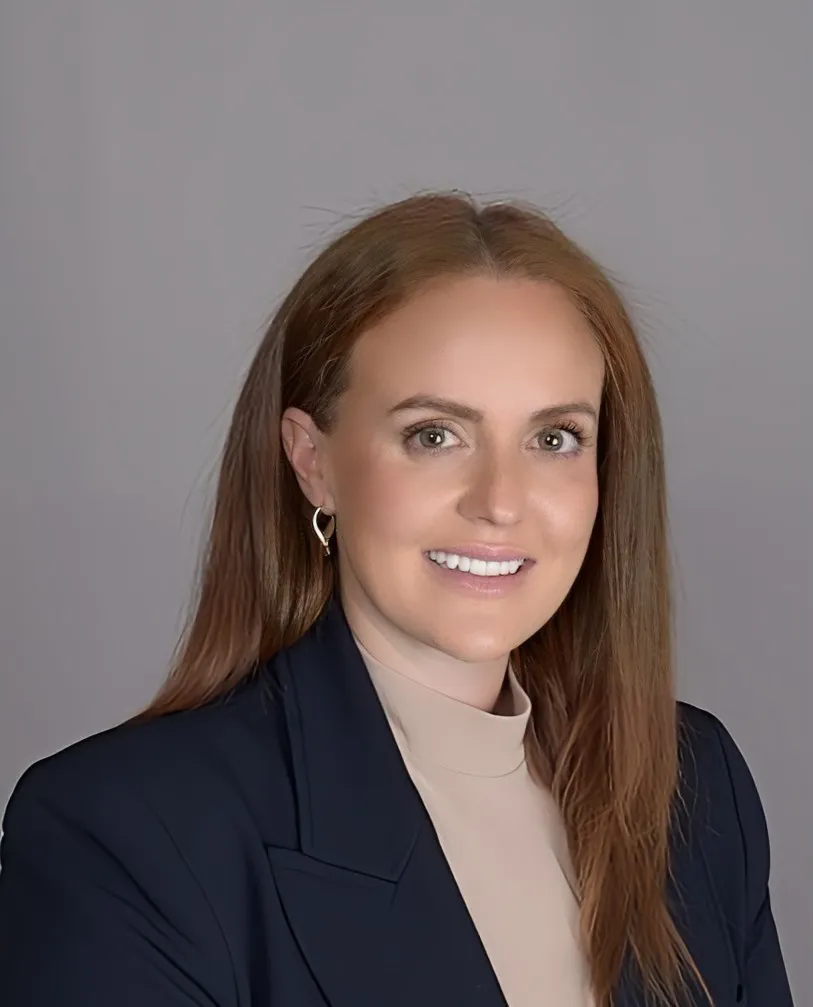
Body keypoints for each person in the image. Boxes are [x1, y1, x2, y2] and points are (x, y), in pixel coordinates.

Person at [0, 192, 793, 1007]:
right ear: (313, 461)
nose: (500, 500)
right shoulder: (128, 832)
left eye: (553, 438)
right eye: (434, 435)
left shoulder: (693, 788)